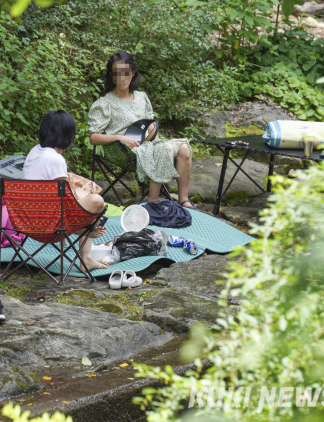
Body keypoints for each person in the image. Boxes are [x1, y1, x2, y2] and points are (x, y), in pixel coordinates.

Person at [88, 51, 195, 208]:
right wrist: (119, 138)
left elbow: (150, 124)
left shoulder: (141, 97)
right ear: (111, 75)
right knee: (161, 150)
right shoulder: (105, 103)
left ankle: (183, 200)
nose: (122, 77)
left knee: (183, 148)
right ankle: (153, 203)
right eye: (117, 73)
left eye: (126, 72)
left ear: (132, 73)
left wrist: (157, 140)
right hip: (126, 150)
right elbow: (94, 137)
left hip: (149, 144)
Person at [22, 110, 108, 271]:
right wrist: (86, 227)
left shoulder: (35, 151)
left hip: (27, 219)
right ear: (68, 135)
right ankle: (86, 255)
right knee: (96, 201)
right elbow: (66, 201)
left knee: (78, 185)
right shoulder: (56, 159)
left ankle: (85, 240)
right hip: (49, 223)